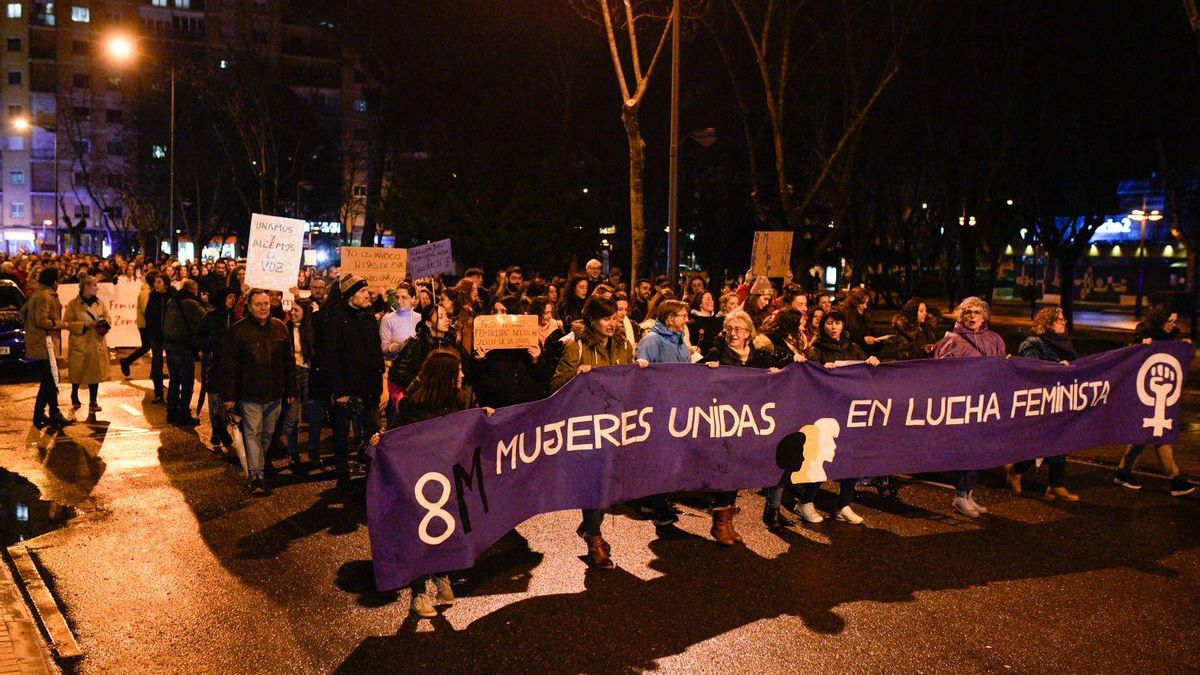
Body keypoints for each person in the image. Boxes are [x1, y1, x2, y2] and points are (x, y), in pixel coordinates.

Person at [369, 349, 493, 617]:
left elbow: (467, 430)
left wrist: (484, 416)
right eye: (458, 370)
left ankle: (441, 573)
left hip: (449, 481)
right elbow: (397, 438)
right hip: (421, 485)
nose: (462, 374)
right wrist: (380, 440)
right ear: (445, 377)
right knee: (420, 533)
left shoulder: (459, 403)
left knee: (446, 528)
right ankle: (418, 593)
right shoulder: (414, 406)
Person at [550, 297, 643, 568]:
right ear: (592, 320)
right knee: (596, 481)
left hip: (616, 423)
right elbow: (555, 384)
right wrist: (576, 376)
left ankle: (590, 527)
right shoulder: (575, 348)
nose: (612, 323)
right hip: (588, 427)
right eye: (605, 318)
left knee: (612, 481)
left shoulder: (624, 345)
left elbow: (630, 380)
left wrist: (641, 370)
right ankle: (595, 538)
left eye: (614, 317)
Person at [701, 310, 783, 536]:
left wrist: (776, 374)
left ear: (748, 332)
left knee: (736, 470)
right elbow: (698, 381)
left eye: (738, 329)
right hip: (725, 421)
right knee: (725, 470)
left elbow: (778, 375)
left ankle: (727, 522)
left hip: (749, 422)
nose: (733, 333)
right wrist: (708, 370)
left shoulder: (759, 355)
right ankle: (719, 524)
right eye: (729, 328)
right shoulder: (717, 353)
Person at [934, 296, 1008, 517]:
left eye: (977, 312)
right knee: (968, 451)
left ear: (984, 315)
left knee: (981, 451)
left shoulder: (994, 339)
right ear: (961, 316)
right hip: (964, 405)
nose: (972, 316)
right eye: (968, 312)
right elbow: (938, 374)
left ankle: (968, 493)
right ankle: (960, 496)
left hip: (986, 404)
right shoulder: (952, 341)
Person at [218, 289, 297, 495]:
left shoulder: (279, 328)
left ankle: (259, 463)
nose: (263, 307)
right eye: (258, 304)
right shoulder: (238, 331)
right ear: (249, 307)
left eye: (266, 304)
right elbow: (230, 366)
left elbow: (288, 362)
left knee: (268, 434)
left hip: (274, 394)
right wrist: (229, 397)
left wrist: (291, 387)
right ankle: (257, 476)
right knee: (253, 433)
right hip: (249, 394)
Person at [805, 309, 880, 524]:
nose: (833, 327)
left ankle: (844, 505)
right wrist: (821, 370)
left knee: (851, 459)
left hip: (849, 412)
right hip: (826, 413)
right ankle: (807, 502)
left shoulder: (854, 348)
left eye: (837, 323)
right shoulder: (817, 349)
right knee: (822, 458)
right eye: (829, 323)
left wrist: (872, 362)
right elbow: (809, 376)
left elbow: (865, 374)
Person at [1114, 305, 1195, 496]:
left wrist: (1183, 345)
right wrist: (1141, 346)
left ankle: (1123, 472)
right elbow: (1129, 356)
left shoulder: (1172, 335)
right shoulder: (1144, 332)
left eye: (1175, 321)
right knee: (1159, 432)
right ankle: (1174, 478)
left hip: (1160, 396)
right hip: (1142, 393)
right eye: (1170, 321)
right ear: (1160, 320)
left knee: (1146, 432)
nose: (1173, 325)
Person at [318, 274, 385, 489]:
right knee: (341, 434)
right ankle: (342, 473)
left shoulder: (368, 317)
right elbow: (331, 359)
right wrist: (339, 392)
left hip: (370, 388)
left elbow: (376, 353)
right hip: (346, 389)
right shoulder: (335, 320)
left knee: (373, 432)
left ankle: (371, 474)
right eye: (363, 291)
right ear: (350, 295)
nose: (368, 295)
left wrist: (381, 383)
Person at [1007, 306, 1079, 501]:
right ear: (1046, 323)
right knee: (1039, 442)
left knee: (1061, 439)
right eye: (1059, 319)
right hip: (1040, 401)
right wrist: (1055, 366)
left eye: (1064, 319)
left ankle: (1056, 485)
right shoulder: (1033, 343)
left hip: (1060, 399)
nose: (1064, 322)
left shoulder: (1065, 343)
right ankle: (1016, 469)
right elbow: (1030, 367)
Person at [633, 299, 693, 526]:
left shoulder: (680, 340)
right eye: (682, 315)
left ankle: (655, 499)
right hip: (658, 409)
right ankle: (658, 505)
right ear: (670, 319)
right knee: (660, 458)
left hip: (678, 406)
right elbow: (640, 375)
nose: (686, 319)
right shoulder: (651, 340)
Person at [21, 267, 73, 429]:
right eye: (58, 279)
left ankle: (40, 414)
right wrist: (61, 324)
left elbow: (22, 313)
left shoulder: (38, 294)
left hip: (41, 343)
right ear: (53, 281)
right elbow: (41, 320)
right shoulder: (44, 296)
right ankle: (54, 413)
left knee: (48, 380)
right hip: (44, 344)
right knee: (51, 379)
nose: (59, 283)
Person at [283, 300, 323, 474]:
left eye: (296, 310)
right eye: (291, 309)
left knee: (314, 416)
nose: (292, 312)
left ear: (305, 312)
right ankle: (293, 454)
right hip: (292, 375)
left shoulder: (313, 330)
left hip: (309, 375)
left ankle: (314, 453)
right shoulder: (286, 329)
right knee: (292, 417)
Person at [162, 279, 207, 426]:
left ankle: (171, 413)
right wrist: (205, 302)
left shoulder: (171, 301)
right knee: (187, 383)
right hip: (184, 348)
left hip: (169, 346)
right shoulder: (192, 304)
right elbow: (206, 318)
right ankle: (183, 415)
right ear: (194, 290)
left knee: (174, 381)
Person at [63, 275, 111, 412]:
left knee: (95, 373)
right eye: (95, 285)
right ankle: (74, 394)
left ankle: (93, 401)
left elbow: (108, 317)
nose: (97, 288)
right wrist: (85, 325)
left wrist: (104, 323)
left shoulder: (100, 303)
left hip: (96, 343)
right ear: (86, 287)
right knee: (78, 372)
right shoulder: (73, 304)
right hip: (80, 344)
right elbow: (67, 322)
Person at [198, 287, 237, 454]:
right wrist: (209, 348)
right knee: (215, 401)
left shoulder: (236, 319)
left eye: (234, 297)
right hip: (214, 365)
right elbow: (200, 337)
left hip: (230, 366)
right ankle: (217, 431)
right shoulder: (211, 317)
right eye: (229, 297)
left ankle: (220, 429)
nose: (232, 300)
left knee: (226, 402)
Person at [142, 273, 173, 403]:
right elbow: (148, 315)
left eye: (159, 282)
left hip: (170, 336)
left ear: (166, 284)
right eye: (155, 282)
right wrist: (152, 331)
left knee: (172, 364)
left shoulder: (173, 297)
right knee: (157, 364)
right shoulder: (153, 297)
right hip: (156, 336)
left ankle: (173, 393)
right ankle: (158, 393)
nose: (156, 285)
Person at [119, 271, 155, 378]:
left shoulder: (148, 292)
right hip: (145, 324)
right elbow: (145, 309)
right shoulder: (145, 293)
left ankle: (127, 362)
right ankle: (126, 361)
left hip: (146, 324)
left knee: (148, 347)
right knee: (148, 347)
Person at [688, 291, 723, 355]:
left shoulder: (719, 322)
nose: (711, 302)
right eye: (708, 299)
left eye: (712, 299)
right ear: (699, 303)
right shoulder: (693, 323)